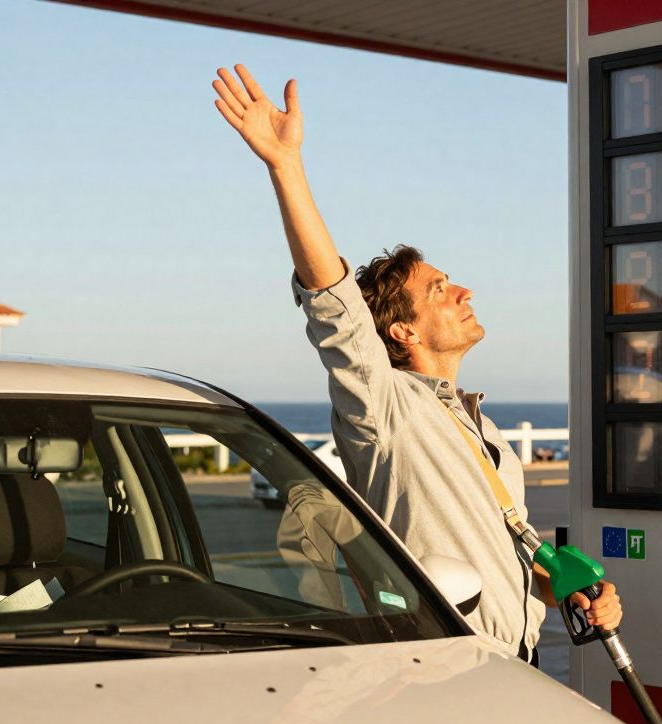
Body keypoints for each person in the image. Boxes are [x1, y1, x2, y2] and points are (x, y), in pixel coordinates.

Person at [211, 65, 621, 663]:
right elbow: (335, 308)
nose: (465, 293)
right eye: (439, 290)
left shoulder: (487, 435)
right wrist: (286, 166)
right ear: (401, 330)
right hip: (441, 674)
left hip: (513, 670)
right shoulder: (383, 407)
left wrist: (572, 593)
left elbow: (509, 568)